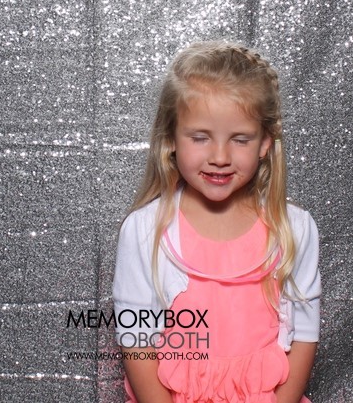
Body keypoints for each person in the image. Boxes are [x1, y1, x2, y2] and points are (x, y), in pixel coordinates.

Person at [113, 41, 321, 403]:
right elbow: (137, 341)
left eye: (240, 139)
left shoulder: (294, 229)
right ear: (171, 138)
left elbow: (304, 334)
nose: (220, 157)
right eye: (200, 138)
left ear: (265, 143)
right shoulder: (145, 230)